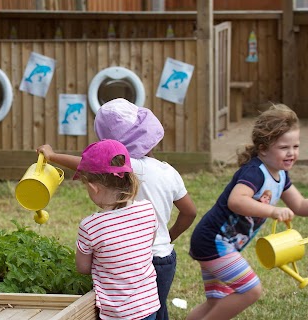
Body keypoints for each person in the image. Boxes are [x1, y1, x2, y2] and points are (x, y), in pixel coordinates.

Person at [37, 98, 196, 320]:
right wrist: (167, 237)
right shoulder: (168, 171)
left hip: (127, 263)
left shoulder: (127, 168)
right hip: (163, 258)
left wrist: (52, 156)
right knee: (154, 309)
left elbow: (84, 164)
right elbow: (190, 212)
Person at [187, 103, 308, 320]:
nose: (292, 153)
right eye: (284, 147)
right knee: (251, 290)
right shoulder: (255, 172)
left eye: (296, 146)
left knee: (217, 303)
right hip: (213, 240)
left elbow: (299, 205)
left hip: (217, 242)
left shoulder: (281, 175)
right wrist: (272, 210)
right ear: (263, 148)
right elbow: (236, 201)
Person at [74, 139, 160, 320]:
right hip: (149, 305)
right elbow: (146, 246)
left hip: (117, 313)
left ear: (93, 187)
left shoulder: (90, 226)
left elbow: (82, 267)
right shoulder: (148, 209)